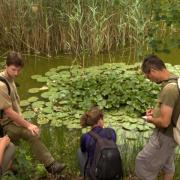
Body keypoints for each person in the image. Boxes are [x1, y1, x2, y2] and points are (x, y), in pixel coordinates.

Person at [0, 51, 66, 174]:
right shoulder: (1, 85)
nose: (16, 73)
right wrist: (28, 125)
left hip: (13, 121)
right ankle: (51, 166)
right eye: (13, 69)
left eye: (19, 70)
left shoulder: (10, 79)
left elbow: (14, 107)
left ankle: (13, 169)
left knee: (14, 148)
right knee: (31, 133)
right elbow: (9, 112)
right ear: (6, 65)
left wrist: (24, 121)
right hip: (5, 125)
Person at [135, 55, 179, 180]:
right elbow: (173, 109)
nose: (149, 79)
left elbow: (165, 122)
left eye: (148, 76)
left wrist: (150, 119)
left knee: (141, 162)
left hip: (165, 136)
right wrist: (155, 112)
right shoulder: (176, 80)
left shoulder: (169, 89)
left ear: (153, 71)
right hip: (173, 135)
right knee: (167, 163)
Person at [77, 106, 118, 179]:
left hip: (94, 175)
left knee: (80, 151)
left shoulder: (85, 137)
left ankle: (86, 175)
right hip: (111, 174)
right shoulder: (111, 132)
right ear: (100, 119)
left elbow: (83, 150)